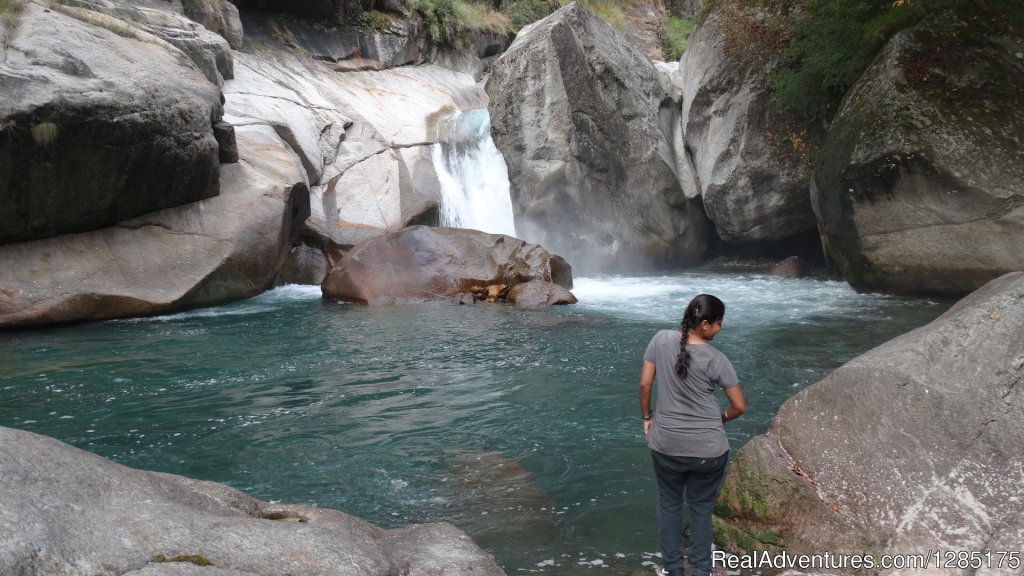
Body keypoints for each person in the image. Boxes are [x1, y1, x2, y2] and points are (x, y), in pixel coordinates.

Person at [638, 294, 746, 576]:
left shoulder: (660, 340)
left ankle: (673, 569)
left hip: (667, 445)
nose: (721, 330)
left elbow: (645, 384)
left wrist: (647, 418)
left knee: (670, 503)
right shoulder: (717, 359)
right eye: (720, 324)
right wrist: (719, 418)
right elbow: (739, 407)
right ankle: (701, 570)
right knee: (700, 508)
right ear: (706, 324)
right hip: (708, 451)